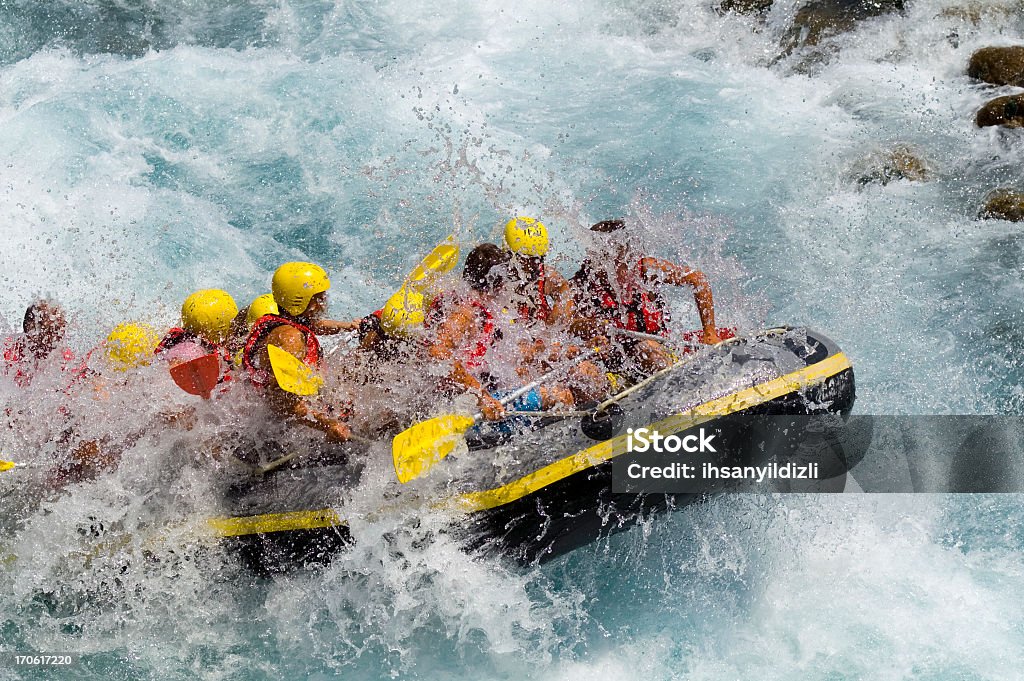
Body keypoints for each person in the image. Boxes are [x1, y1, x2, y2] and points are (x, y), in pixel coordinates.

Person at [571, 218, 727, 378]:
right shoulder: (582, 284)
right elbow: (568, 325)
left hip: (659, 350)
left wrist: (709, 333)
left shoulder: (645, 269)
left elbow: (697, 279)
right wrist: (589, 326)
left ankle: (677, 381)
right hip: (614, 362)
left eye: (620, 253)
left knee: (647, 348)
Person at [241, 262, 351, 442]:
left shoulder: (284, 322)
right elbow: (281, 403)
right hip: (276, 433)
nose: (324, 304)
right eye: (320, 298)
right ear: (305, 302)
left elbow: (315, 325)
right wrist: (328, 425)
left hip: (272, 416)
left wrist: (347, 326)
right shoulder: (290, 340)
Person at [502, 217, 574, 326]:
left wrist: (552, 323)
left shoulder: (544, 275)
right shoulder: (497, 280)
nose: (533, 265)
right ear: (510, 256)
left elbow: (565, 292)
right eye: (527, 259)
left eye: (538, 258)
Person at [2, 300, 79, 388]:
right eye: (45, 340)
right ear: (28, 332)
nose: (47, 350)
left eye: (55, 340)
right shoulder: (6, 350)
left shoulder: (64, 360)